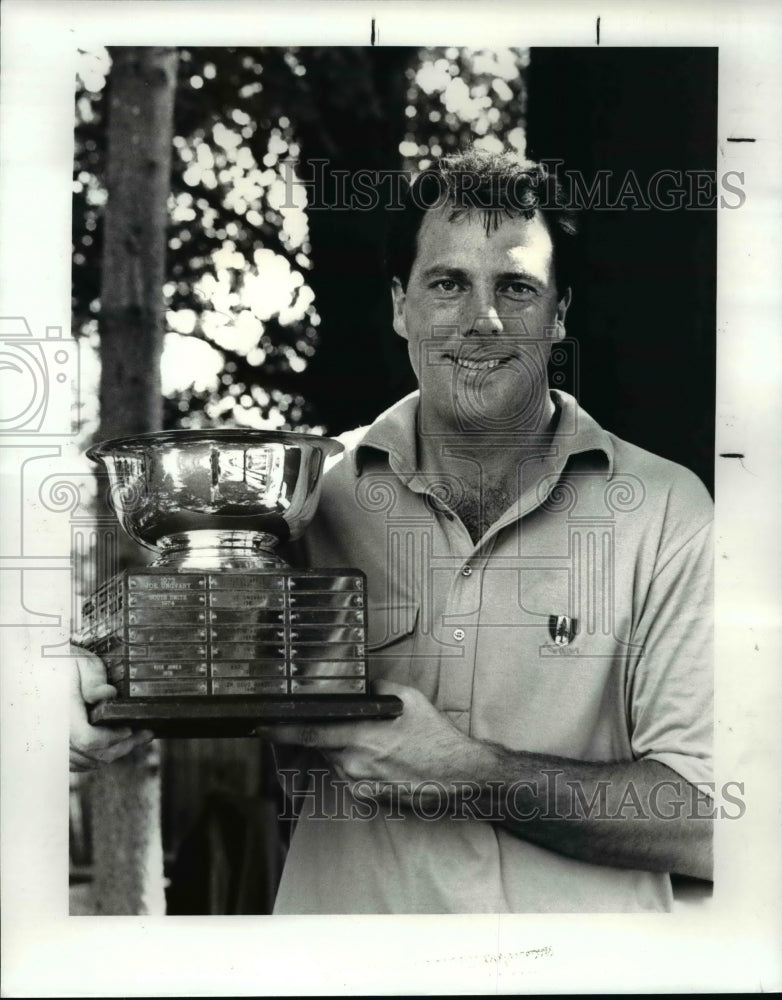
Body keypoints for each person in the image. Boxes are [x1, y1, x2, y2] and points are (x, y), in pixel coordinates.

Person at [71, 149, 713, 913]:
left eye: (516, 286)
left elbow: (709, 822)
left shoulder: (667, 511)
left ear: (560, 312)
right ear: (401, 305)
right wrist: (76, 679)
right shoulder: (299, 501)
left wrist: (466, 775)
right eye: (448, 284)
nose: (483, 319)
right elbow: (173, 642)